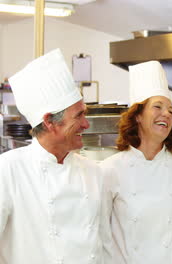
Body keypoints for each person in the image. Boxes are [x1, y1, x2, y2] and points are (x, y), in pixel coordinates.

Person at [0, 49, 103, 263]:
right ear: (49, 122)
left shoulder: (93, 171)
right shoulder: (9, 170)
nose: (86, 124)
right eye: (79, 115)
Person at [100, 61, 172, 264]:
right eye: (158, 106)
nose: (166, 114)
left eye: (170, 110)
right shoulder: (110, 169)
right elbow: (101, 233)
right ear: (138, 116)